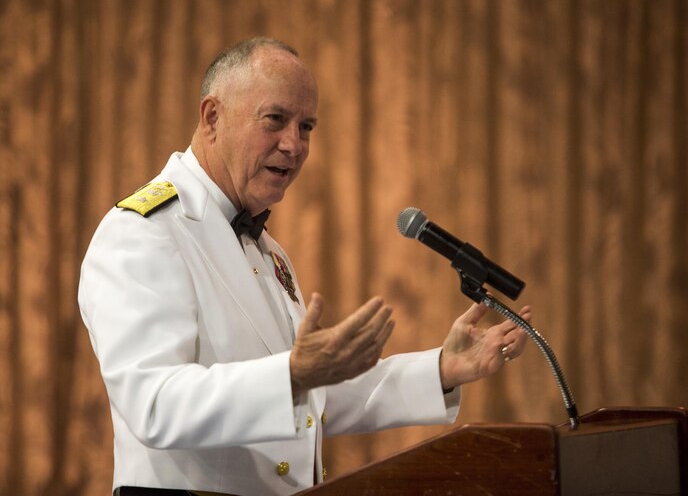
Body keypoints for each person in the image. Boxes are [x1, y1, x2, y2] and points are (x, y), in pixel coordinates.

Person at [78, 37, 530, 496]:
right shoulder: (143, 232)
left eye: (307, 126)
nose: (294, 144)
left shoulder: (267, 250)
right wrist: (292, 374)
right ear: (212, 117)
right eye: (275, 119)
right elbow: (154, 405)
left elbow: (310, 394)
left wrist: (441, 370)